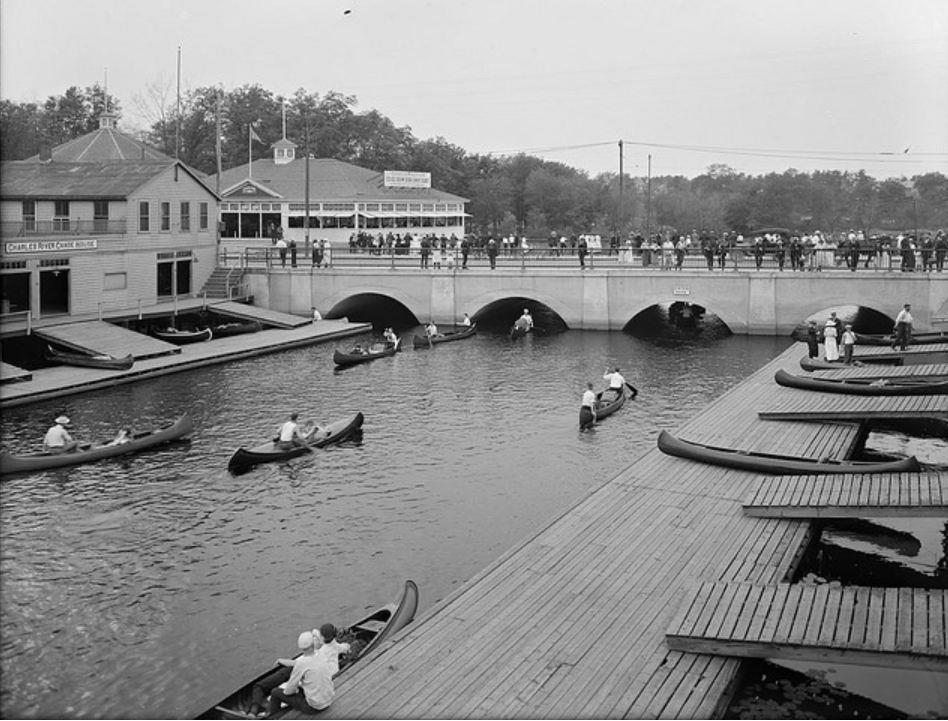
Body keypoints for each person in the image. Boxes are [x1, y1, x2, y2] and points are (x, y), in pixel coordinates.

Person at [251, 624, 352, 718]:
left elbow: (289, 691)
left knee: (275, 692)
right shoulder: (321, 655)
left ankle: (272, 716)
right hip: (329, 700)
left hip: (314, 708)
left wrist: (292, 689)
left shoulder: (301, 663)